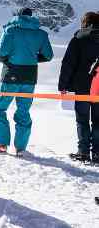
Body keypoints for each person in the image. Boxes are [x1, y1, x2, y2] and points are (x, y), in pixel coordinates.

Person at [0, 7, 53, 156]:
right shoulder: (41, 33)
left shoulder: (10, 30)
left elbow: (1, 53)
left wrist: (10, 59)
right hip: (30, 77)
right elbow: (48, 55)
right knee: (23, 110)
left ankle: (0, 143)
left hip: (11, 74)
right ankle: (21, 148)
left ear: (18, 16)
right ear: (31, 17)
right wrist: (33, 58)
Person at [59, 12, 99, 163]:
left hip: (82, 87)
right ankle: (97, 153)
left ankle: (83, 152)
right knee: (98, 121)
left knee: (82, 119)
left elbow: (68, 64)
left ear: (86, 23)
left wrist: (63, 85)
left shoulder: (78, 38)